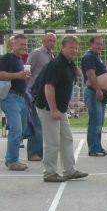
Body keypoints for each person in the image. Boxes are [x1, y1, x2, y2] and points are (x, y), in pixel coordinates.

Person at [34, 35, 88, 183]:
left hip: (61, 108)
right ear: (62, 47)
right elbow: (48, 87)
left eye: (76, 47)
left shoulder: (69, 64)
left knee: (67, 138)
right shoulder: (56, 64)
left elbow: (66, 86)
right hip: (48, 107)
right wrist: (53, 109)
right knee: (52, 141)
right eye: (71, 47)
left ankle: (69, 170)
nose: (74, 50)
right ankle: (49, 172)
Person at [0, 34, 31, 171]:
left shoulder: (19, 60)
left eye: (25, 44)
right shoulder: (7, 58)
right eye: (21, 44)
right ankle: (12, 161)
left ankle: (12, 159)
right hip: (11, 98)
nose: (24, 47)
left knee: (21, 130)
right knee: (16, 129)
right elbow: (1, 74)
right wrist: (18, 75)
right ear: (12, 44)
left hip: (21, 98)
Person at [24, 32, 56, 162]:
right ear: (44, 40)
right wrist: (26, 89)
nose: (51, 43)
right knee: (36, 123)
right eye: (49, 40)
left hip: (45, 93)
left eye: (53, 41)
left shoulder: (52, 55)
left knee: (43, 124)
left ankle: (40, 152)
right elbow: (27, 68)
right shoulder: (37, 53)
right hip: (33, 91)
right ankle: (33, 153)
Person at [81, 36, 107, 156]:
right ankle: (94, 148)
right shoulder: (89, 57)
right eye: (97, 44)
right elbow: (91, 75)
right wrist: (98, 89)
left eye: (101, 44)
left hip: (100, 92)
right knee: (95, 121)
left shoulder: (96, 57)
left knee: (99, 121)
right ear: (91, 44)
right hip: (93, 92)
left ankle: (98, 147)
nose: (99, 46)